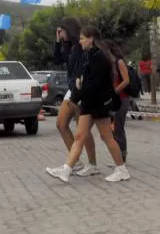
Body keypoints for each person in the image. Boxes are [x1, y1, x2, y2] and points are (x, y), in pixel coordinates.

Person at [47, 26, 130, 183]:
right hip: (88, 102)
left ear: (91, 38)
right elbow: (83, 78)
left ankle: (121, 169)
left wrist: (76, 94)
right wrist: (78, 88)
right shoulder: (88, 55)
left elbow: (94, 84)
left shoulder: (100, 57)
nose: (80, 41)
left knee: (106, 137)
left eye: (83, 38)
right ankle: (66, 170)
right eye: (80, 38)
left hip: (98, 102)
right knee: (80, 136)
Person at [52, 17, 98, 177]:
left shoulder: (79, 47)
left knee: (82, 129)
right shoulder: (70, 47)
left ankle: (92, 164)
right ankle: (76, 162)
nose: (60, 33)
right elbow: (57, 60)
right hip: (71, 89)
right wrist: (57, 42)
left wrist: (77, 93)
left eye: (61, 31)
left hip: (78, 89)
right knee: (61, 124)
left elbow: (81, 70)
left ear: (68, 29)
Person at [107, 41, 132, 163]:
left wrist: (115, 91)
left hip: (122, 99)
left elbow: (126, 80)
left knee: (118, 128)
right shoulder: (110, 64)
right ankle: (118, 156)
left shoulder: (119, 62)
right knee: (113, 129)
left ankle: (122, 156)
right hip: (113, 99)